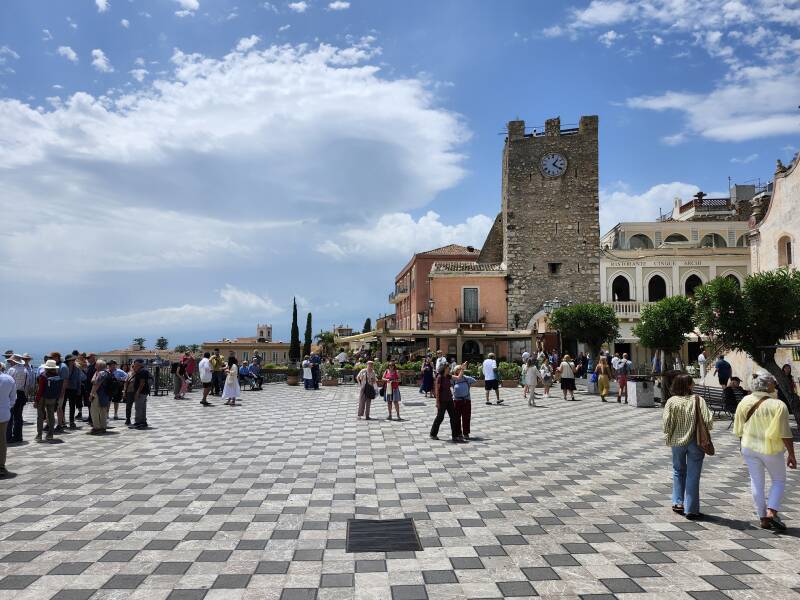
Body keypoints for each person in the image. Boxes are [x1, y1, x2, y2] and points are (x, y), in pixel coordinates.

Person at [734, 373, 797, 530]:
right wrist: (791, 454)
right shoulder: (778, 405)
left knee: (756, 481)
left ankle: (762, 517)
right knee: (778, 480)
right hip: (771, 448)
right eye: (773, 382)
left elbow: (739, 428)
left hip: (749, 446)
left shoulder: (744, 401)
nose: (775, 384)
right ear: (768, 385)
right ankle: (771, 512)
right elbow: (785, 433)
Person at [662, 373, 713, 520]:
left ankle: (678, 502)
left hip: (677, 441)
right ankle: (691, 509)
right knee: (693, 475)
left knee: (678, 471)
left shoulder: (671, 401)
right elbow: (709, 421)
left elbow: (666, 425)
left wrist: (673, 431)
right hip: (696, 442)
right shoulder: (698, 400)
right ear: (689, 385)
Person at [430, 363, 464, 442]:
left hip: (449, 400)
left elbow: (458, 378)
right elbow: (437, 390)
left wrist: (462, 369)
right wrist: (437, 402)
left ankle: (455, 436)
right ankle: (433, 434)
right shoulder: (440, 377)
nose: (449, 369)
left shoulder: (448, 376)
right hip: (442, 401)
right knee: (440, 417)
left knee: (454, 417)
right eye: (448, 368)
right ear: (445, 368)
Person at [34, 359, 62, 442]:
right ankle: (50, 434)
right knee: (51, 416)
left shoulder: (43, 376)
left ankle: (39, 435)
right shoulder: (57, 376)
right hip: (53, 398)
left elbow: (40, 390)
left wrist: (36, 400)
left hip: (43, 398)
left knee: (40, 416)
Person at [6, 355, 30, 444]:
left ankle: (8, 436)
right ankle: (18, 436)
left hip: (12, 393)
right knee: (19, 416)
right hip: (22, 394)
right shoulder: (25, 370)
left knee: (10, 416)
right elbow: (28, 384)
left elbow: (8, 382)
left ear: (14, 361)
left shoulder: (11, 370)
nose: (10, 362)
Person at [451, 363, 475, 438]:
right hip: (456, 400)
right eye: (459, 369)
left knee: (466, 417)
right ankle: (459, 433)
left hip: (466, 400)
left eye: (461, 369)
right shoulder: (453, 379)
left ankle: (466, 433)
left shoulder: (466, 378)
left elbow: (474, 380)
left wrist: (468, 386)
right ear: (455, 371)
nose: (461, 370)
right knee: (457, 417)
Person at [0, 366, 15, 477]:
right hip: (3, 414)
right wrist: (7, 407)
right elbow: (13, 398)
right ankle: (1, 466)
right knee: (2, 440)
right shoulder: (9, 379)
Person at [88, 360, 111, 434]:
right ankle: (103, 427)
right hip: (105, 394)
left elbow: (96, 384)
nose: (95, 366)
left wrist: (92, 394)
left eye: (96, 365)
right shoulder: (107, 372)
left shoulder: (101, 373)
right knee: (103, 411)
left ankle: (97, 427)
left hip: (98, 394)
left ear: (99, 366)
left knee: (94, 410)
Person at [129, 359, 150, 429]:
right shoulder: (142, 370)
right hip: (144, 392)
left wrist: (137, 392)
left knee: (138, 407)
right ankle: (143, 422)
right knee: (143, 407)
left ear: (139, 364)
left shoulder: (142, 371)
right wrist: (134, 369)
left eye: (135, 363)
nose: (134, 365)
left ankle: (138, 422)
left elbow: (142, 383)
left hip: (141, 392)